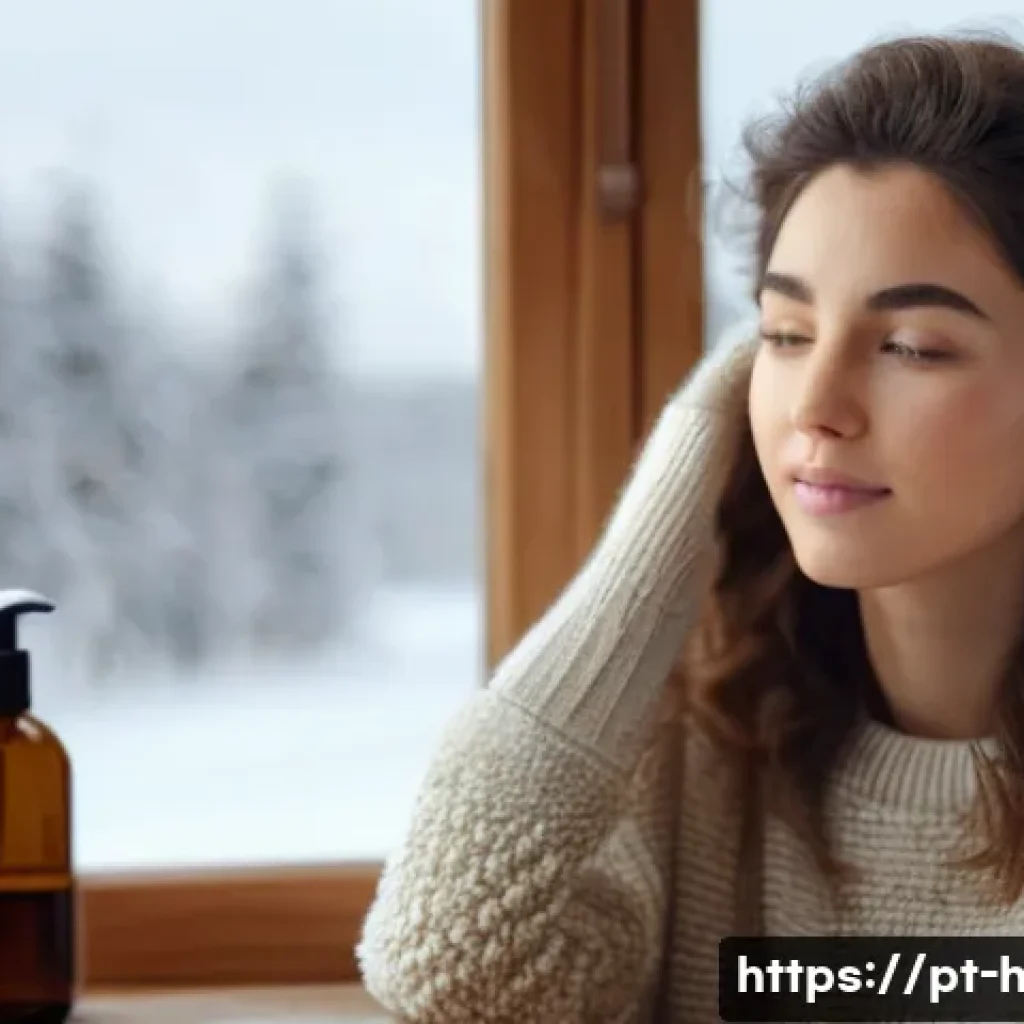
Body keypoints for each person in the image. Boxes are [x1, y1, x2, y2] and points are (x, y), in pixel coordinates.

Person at [357, 30, 1024, 1023]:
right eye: (783, 336)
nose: (816, 405)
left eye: (911, 346)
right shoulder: (710, 733)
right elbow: (451, 965)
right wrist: (675, 497)